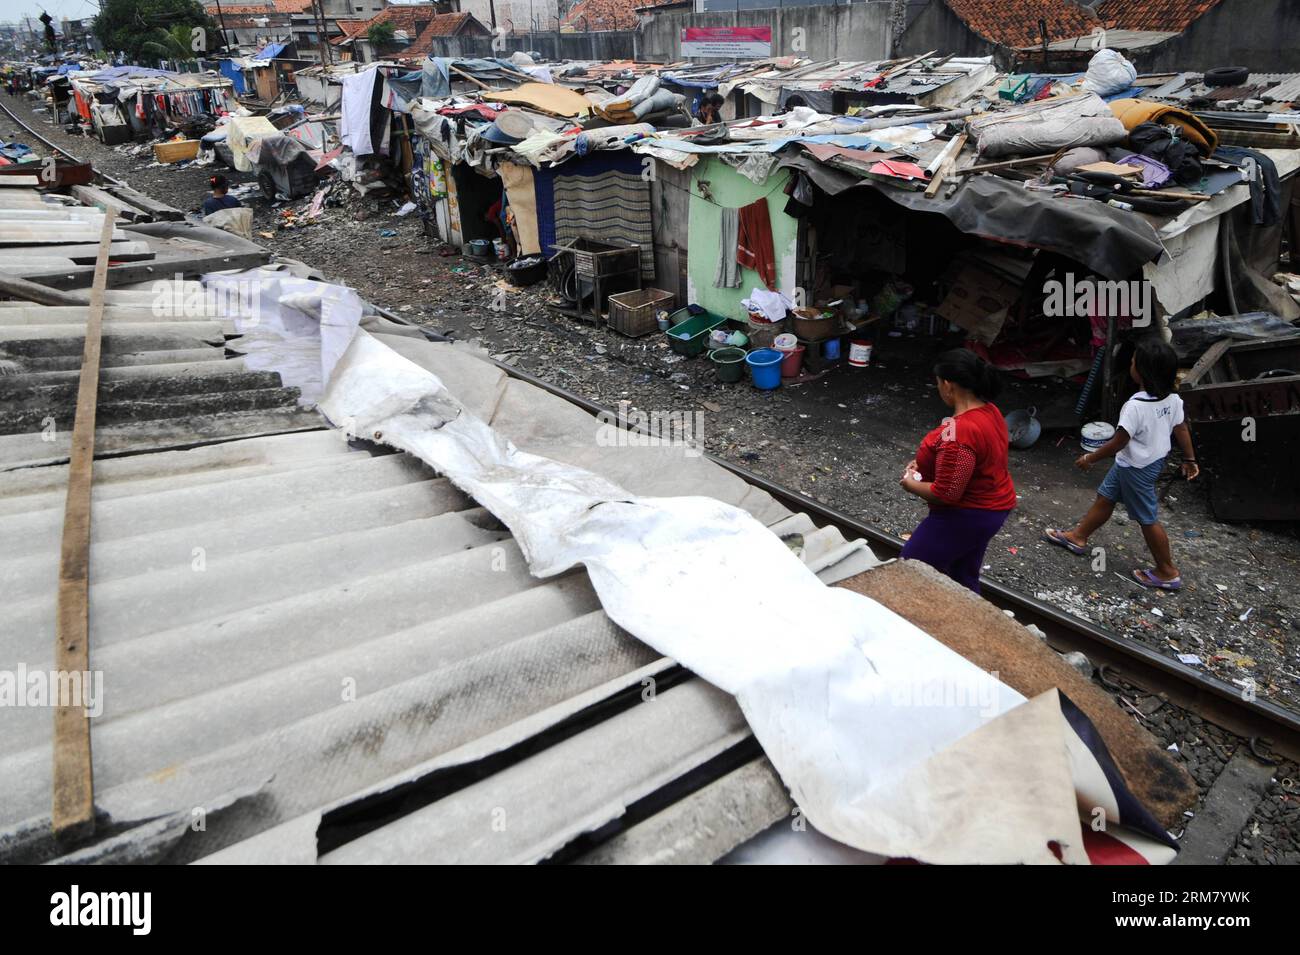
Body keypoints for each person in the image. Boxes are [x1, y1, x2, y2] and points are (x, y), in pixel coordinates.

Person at [1044, 336, 1198, 590]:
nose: (1131, 365)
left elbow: (1118, 442)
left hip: (1136, 468)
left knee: (1147, 519)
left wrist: (1089, 458)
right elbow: (1181, 427)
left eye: (1134, 362)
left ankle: (1167, 571)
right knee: (1106, 498)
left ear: (1142, 372)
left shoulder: (1134, 406)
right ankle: (1078, 537)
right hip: (1148, 462)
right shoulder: (1172, 399)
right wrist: (1190, 458)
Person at [899, 349, 1017, 593]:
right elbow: (972, 460)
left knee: (909, 569)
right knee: (962, 576)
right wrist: (926, 463)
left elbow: (947, 492)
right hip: (993, 507)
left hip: (968, 514)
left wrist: (910, 483)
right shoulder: (989, 411)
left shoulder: (961, 432)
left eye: (938, 384)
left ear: (948, 385)